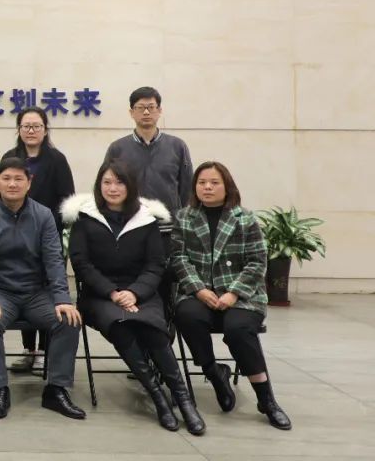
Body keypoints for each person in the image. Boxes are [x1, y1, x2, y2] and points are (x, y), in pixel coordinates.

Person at [65, 161, 205, 435]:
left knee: (153, 330)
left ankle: (183, 399)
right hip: (100, 295)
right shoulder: (85, 217)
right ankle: (158, 397)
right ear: (99, 185)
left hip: (141, 292)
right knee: (121, 325)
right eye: (107, 182)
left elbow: (155, 264)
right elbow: (81, 264)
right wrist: (113, 292)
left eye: (119, 182)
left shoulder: (146, 218)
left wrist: (134, 292)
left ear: (130, 186)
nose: (113, 188)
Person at [171, 161, 292, 430]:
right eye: (202, 182)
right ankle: (215, 373)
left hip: (242, 296)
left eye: (214, 182)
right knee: (186, 316)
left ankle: (266, 400)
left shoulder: (245, 218)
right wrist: (199, 289)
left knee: (238, 329)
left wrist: (234, 293)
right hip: (199, 292)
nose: (207, 187)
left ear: (227, 186)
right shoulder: (184, 217)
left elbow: (257, 262)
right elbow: (178, 258)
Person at [0, 156, 85, 421]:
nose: (12, 184)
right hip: (1, 292)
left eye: (18, 179)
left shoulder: (43, 215)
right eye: (6, 178)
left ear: (29, 182)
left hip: (36, 293)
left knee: (68, 321)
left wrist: (62, 299)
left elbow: (54, 260)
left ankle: (56, 389)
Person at [0, 106, 75, 373]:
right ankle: (29, 350)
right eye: (26, 126)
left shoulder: (57, 159)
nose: (31, 131)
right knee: (20, 286)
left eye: (36, 126)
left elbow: (67, 199)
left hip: (48, 235)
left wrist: (51, 227)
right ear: (18, 129)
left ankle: (45, 351)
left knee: (46, 292)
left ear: (45, 129)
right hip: (13, 235)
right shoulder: (10, 157)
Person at [103, 86, 193, 223]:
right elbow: (106, 185)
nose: (146, 112)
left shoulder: (177, 146)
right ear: (131, 112)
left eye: (151, 107)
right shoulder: (117, 148)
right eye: (140, 108)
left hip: (169, 223)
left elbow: (187, 188)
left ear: (159, 110)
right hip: (128, 223)